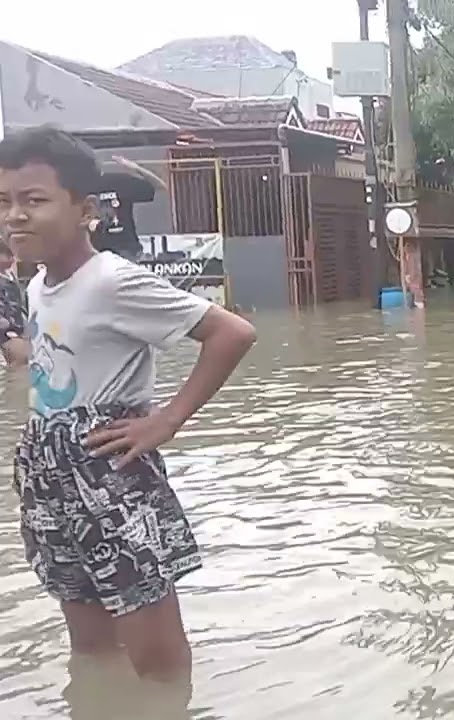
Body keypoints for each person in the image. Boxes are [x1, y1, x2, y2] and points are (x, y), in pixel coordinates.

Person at [0, 125, 257, 683]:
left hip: (109, 473)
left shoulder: (113, 280)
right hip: (48, 468)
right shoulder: (39, 283)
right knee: (89, 645)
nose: (15, 216)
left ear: (85, 209)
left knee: (156, 655)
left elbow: (232, 333)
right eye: (5, 203)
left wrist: (168, 420)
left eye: (34, 201)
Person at [90, 155, 165, 262]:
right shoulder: (81, 188)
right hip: (98, 253)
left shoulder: (120, 182)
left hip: (128, 250)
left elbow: (160, 186)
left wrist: (135, 168)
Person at [0, 240, 30, 365]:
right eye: (8, 256)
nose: (12, 259)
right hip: (7, 332)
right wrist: (9, 332)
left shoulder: (10, 275)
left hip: (21, 327)